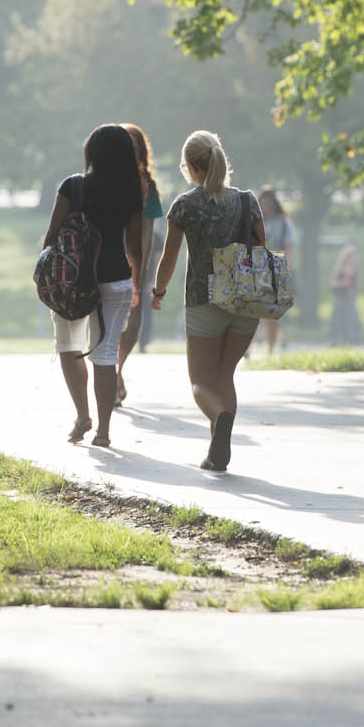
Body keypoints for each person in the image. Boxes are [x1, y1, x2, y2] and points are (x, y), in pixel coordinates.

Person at [150, 130, 265, 472]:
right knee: (223, 377)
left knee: (201, 384)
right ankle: (216, 454)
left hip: (204, 303)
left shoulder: (185, 205)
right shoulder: (247, 200)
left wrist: (158, 292)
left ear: (190, 168)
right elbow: (261, 250)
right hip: (246, 302)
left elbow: (169, 259)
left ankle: (220, 418)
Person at [44, 124, 145, 448]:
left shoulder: (73, 187)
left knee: (69, 346)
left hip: (72, 280)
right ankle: (103, 432)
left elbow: (52, 235)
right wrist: (137, 281)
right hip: (116, 280)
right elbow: (135, 247)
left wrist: (49, 274)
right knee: (105, 355)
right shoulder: (133, 193)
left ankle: (82, 415)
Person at [115, 123, 165, 404]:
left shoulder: (149, 187)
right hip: (107, 264)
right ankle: (111, 376)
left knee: (132, 327)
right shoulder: (102, 181)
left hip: (135, 266)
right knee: (108, 325)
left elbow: (147, 234)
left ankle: (118, 370)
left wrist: (141, 274)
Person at [257, 187, 297, 354]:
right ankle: (247, 349)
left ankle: (271, 349)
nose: (266, 207)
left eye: (269, 203)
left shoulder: (283, 223)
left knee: (272, 313)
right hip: (257, 270)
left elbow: (289, 248)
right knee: (251, 311)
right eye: (263, 203)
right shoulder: (256, 221)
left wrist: (285, 271)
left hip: (275, 270)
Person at [328, 242, 360, 345]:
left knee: (350, 321)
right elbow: (332, 283)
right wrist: (342, 283)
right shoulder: (339, 268)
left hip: (350, 298)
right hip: (340, 298)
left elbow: (355, 285)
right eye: (349, 255)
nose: (351, 258)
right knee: (338, 322)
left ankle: (351, 341)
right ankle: (336, 342)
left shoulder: (355, 268)